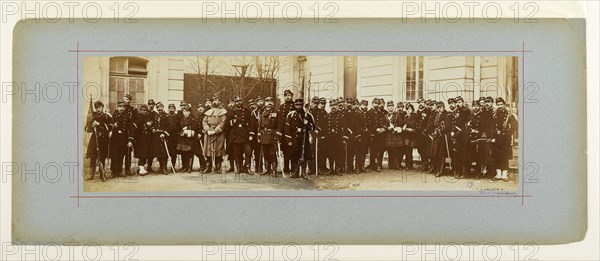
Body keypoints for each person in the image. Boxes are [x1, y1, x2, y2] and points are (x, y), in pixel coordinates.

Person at [284, 98, 316, 178]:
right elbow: (287, 128)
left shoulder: (307, 115)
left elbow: (313, 127)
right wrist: (289, 140)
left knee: (304, 154)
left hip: (304, 138)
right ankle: (295, 172)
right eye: (297, 105)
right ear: (295, 105)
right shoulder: (291, 114)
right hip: (294, 138)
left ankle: (303, 172)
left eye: (300, 105)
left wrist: (307, 123)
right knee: (294, 154)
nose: (298, 106)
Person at [85, 101, 112, 181]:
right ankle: (91, 175)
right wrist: (92, 125)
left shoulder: (107, 116)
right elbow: (87, 129)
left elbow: (111, 126)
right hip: (95, 139)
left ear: (102, 107)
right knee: (93, 156)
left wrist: (100, 124)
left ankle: (102, 174)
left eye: (99, 107)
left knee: (102, 157)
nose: (98, 109)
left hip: (103, 139)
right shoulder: (92, 116)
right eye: (96, 108)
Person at [227, 96, 255, 174]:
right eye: (237, 101)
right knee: (236, 152)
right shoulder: (231, 112)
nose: (238, 103)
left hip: (245, 135)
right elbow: (226, 123)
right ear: (235, 103)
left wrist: (251, 134)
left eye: (240, 101)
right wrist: (233, 121)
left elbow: (252, 123)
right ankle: (238, 168)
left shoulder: (246, 111)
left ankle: (247, 168)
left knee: (248, 151)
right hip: (235, 135)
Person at [257, 96, 284, 177]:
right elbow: (260, 126)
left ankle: (274, 170)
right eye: (267, 101)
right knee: (265, 153)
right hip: (264, 135)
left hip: (272, 135)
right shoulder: (263, 113)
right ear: (265, 103)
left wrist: (277, 136)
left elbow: (280, 125)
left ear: (273, 103)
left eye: (271, 101)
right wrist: (259, 135)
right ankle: (267, 169)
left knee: (272, 153)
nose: (269, 103)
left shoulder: (277, 112)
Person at [491, 97, 517, 181]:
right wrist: (492, 137)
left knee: (504, 157)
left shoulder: (509, 115)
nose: (500, 106)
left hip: (505, 139)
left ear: (504, 105)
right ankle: (498, 174)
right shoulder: (494, 115)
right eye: (498, 105)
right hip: (496, 139)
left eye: (501, 104)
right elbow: (491, 127)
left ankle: (504, 174)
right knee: (497, 156)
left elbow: (515, 126)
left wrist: (509, 130)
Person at [203, 96, 228, 174]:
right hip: (209, 133)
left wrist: (215, 131)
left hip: (219, 133)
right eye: (213, 100)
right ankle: (208, 166)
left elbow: (223, 123)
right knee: (208, 149)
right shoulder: (208, 111)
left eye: (216, 100)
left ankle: (218, 166)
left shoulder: (223, 111)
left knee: (218, 150)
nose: (214, 102)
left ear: (219, 101)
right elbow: (204, 121)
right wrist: (207, 130)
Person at [110, 101, 135, 177]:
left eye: (123, 107)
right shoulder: (113, 116)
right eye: (120, 107)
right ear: (117, 108)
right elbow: (109, 125)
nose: (121, 108)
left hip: (123, 139)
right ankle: (113, 171)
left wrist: (130, 140)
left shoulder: (128, 116)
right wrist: (113, 126)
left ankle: (119, 171)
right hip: (115, 138)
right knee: (114, 156)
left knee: (121, 156)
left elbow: (131, 129)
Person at [429, 101, 452, 177]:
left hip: (443, 137)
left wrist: (440, 131)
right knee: (435, 153)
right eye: (438, 108)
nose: (439, 109)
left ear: (443, 107)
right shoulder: (436, 115)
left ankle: (441, 170)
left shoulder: (447, 115)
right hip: (436, 136)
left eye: (441, 107)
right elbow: (434, 124)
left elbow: (448, 127)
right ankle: (436, 168)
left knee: (441, 154)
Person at [134, 104, 154, 175]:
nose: (145, 111)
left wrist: (151, 128)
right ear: (140, 110)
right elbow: (135, 127)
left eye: (146, 110)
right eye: (144, 110)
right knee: (142, 153)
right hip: (140, 137)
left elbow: (149, 124)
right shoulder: (138, 117)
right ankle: (141, 168)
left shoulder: (147, 117)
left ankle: (141, 168)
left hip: (147, 137)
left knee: (146, 153)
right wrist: (146, 125)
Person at [279, 90, 295, 175]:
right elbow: (280, 120)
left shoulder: (295, 106)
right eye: (286, 96)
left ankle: (293, 168)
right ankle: (286, 167)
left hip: (292, 131)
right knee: (285, 150)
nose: (287, 97)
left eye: (289, 95)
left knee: (292, 150)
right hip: (284, 132)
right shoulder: (281, 106)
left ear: (292, 96)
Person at [351, 100, 370, 174]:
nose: (365, 106)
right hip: (359, 136)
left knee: (364, 152)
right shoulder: (356, 114)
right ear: (360, 105)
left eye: (366, 105)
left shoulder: (366, 114)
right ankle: (357, 167)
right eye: (363, 105)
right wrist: (357, 135)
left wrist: (368, 131)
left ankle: (362, 166)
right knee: (358, 152)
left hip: (365, 136)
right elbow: (355, 126)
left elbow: (368, 124)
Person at [152, 102, 170, 174]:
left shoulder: (167, 116)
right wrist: (153, 128)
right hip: (157, 136)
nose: (159, 109)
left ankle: (164, 168)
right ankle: (160, 167)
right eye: (158, 107)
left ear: (163, 107)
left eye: (160, 107)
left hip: (164, 136)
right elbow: (153, 124)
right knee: (159, 152)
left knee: (164, 152)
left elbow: (169, 126)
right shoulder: (156, 115)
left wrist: (164, 133)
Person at [177, 106, 196, 173]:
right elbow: (179, 128)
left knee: (190, 153)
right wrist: (180, 133)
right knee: (183, 152)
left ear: (189, 112)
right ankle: (184, 166)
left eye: (187, 111)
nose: (186, 113)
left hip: (189, 139)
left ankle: (189, 167)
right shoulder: (181, 119)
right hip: (183, 138)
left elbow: (195, 127)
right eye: (184, 111)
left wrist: (188, 127)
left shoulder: (192, 119)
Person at [251, 96, 265, 173]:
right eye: (258, 101)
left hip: (265, 134)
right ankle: (258, 167)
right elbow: (252, 125)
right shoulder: (254, 112)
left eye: (261, 101)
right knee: (257, 151)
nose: (260, 103)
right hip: (257, 135)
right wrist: (252, 134)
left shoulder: (267, 111)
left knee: (266, 151)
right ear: (256, 103)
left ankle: (268, 168)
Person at [402, 103, 418, 170]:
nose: (409, 110)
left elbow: (413, 124)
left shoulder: (414, 116)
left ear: (412, 109)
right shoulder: (406, 116)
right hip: (406, 135)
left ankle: (409, 164)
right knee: (406, 150)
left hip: (412, 136)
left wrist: (406, 125)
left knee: (410, 150)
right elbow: (402, 123)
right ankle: (407, 164)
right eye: (407, 109)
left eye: (410, 109)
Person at [193, 103, 208, 173]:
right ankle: (201, 165)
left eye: (201, 107)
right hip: (197, 137)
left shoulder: (206, 116)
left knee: (203, 152)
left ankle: (205, 166)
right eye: (198, 108)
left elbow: (207, 126)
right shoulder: (198, 116)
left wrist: (201, 133)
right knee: (198, 152)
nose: (200, 109)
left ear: (204, 108)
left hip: (204, 136)